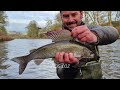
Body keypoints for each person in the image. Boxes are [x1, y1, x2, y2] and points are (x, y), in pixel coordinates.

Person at [54, 11, 119, 79]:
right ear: (61, 17)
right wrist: (72, 65)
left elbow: (114, 32)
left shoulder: (91, 29)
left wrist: (95, 35)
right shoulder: (58, 39)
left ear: (81, 14)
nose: (70, 20)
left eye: (74, 14)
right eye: (66, 16)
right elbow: (61, 74)